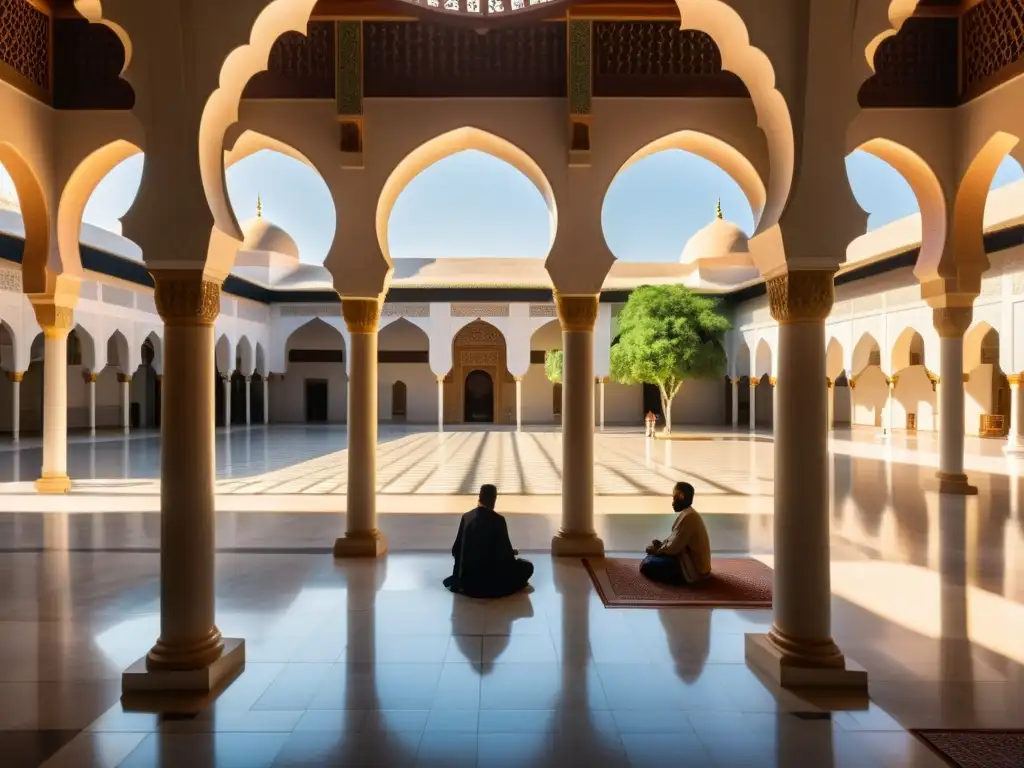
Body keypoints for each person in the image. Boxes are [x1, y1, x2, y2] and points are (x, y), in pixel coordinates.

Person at [443, 484, 534, 598]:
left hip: (467, 581)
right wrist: (512, 553)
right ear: (494, 499)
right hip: (489, 581)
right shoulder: (498, 520)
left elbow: (456, 549)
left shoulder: (466, 517)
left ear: (479, 497)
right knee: (527, 566)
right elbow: (505, 555)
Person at [640, 481, 712, 586]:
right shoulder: (687, 513)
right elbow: (675, 541)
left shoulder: (689, 517)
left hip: (693, 569)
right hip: (685, 559)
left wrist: (657, 550)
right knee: (651, 559)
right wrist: (660, 545)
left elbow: (674, 549)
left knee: (647, 564)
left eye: (674, 496)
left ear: (681, 496)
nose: (673, 501)